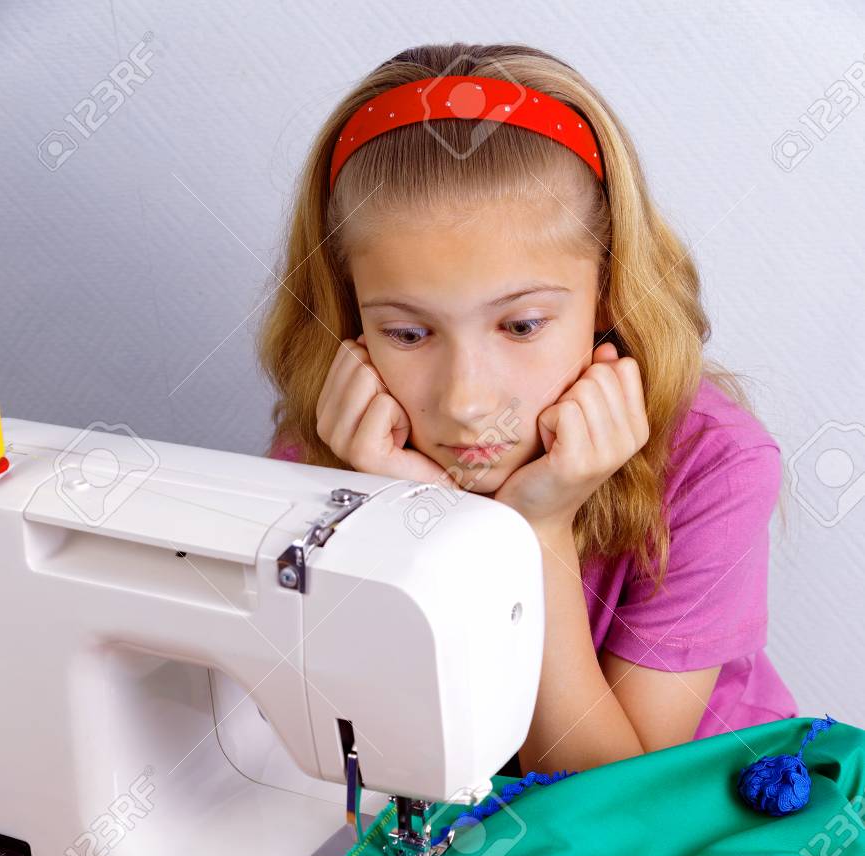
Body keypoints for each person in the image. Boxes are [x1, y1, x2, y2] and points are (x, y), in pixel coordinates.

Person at [256, 40, 797, 777]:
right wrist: (407, 514)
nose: (466, 400)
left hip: (694, 821)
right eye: (408, 334)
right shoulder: (335, 448)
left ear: (607, 294)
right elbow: (335, 741)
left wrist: (538, 530)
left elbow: (609, 802)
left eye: (520, 326)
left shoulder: (715, 463)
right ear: (352, 319)